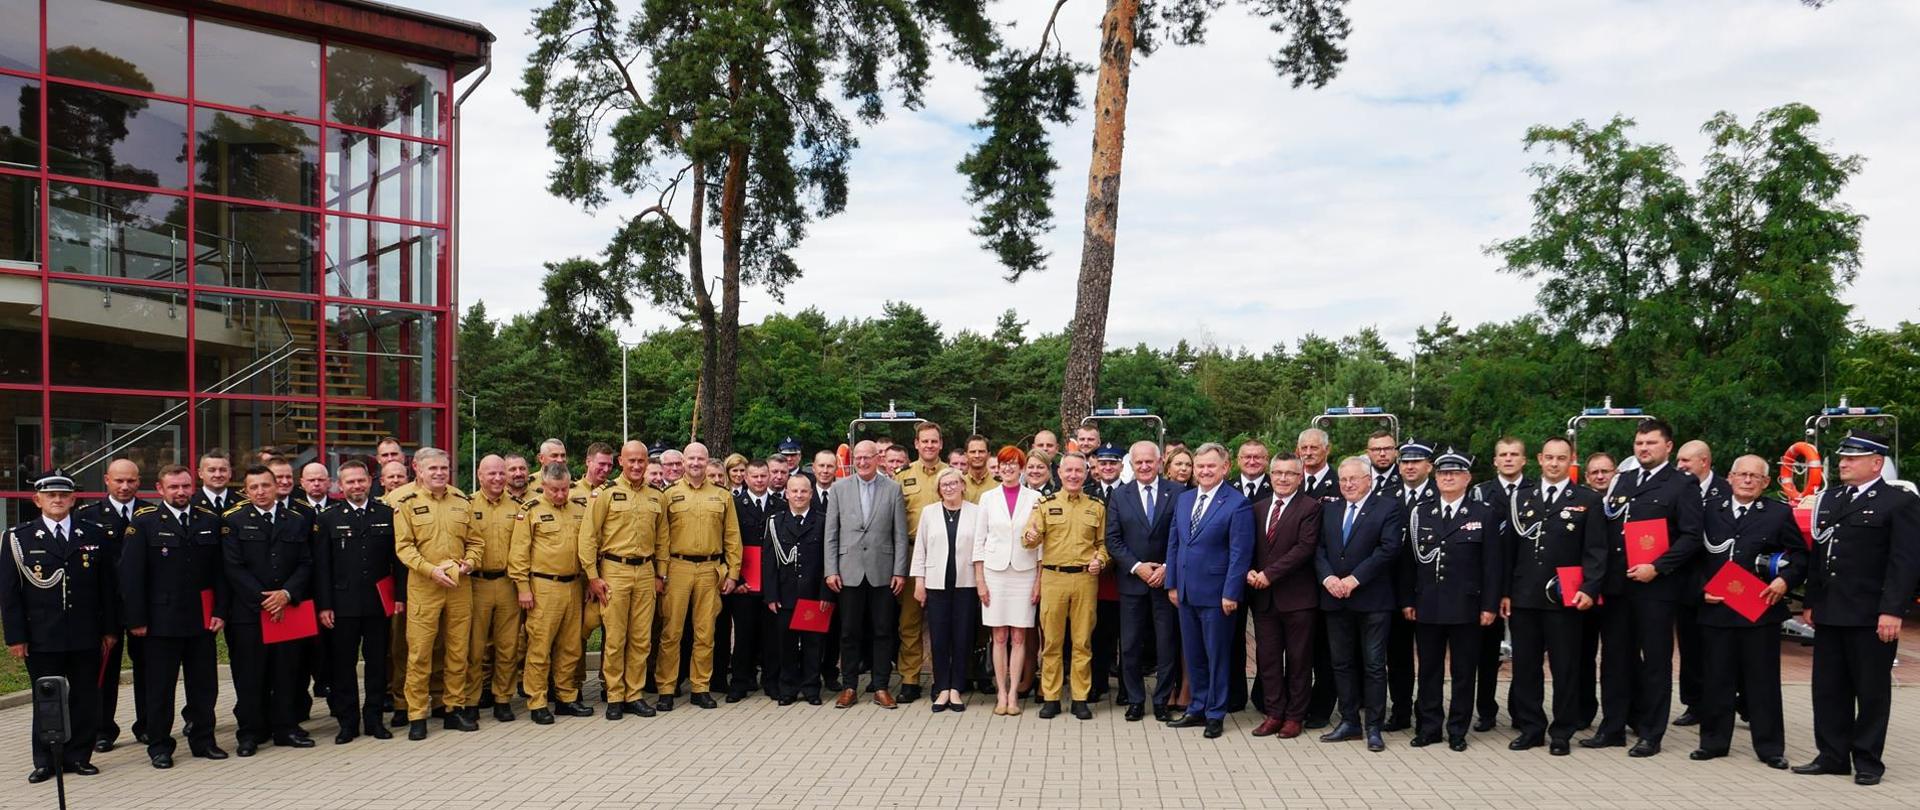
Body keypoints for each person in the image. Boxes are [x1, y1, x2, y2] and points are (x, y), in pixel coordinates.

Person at [1794, 431, 1920, 786]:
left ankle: (1867, 760)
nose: (1844, 464)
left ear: (1876, 463)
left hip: (1871, 614)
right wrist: (1811, 602)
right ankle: (1832, 755)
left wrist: (1892, 610)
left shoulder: (1898, 502)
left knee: (1871, 690)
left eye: (1852, 458)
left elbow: (1905, 562)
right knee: (1828, 688)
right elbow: (1820, 555)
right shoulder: (1831, 499)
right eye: (1844, 458)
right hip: (1832, 610)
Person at [1585, 419, 1702, 758]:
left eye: (1651, 443)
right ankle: (1612, 727)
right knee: (1614, 659)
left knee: (1655, 662)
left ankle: (1651, 732)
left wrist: (1659, 566)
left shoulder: (1681, 484)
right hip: (1619, 586)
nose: (1643, 449)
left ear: (1668, 446)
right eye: (1639, 444)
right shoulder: (1623, 480)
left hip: (1656, 588)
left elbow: (1692, 536)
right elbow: (1611, 530)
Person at [1689, 454, 1804, 768]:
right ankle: (1713, 742)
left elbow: (1800, 557)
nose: (1748, 480)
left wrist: (1784, 580)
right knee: (1715, 680)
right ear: (1730, 478)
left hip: (1760, 611)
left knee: (1762, 682)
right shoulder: (1709, 511)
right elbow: (1692, 557)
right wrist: (1702, 589)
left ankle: (1769, 748)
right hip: (1717, 610)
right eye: (1743, 475)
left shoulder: (1778, 514)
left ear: (1766, 482)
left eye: (1756, 476)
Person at [5, 470, 118, 782]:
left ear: (73, 499)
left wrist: (109, 629)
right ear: (37, 499)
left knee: (85, 697)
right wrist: (16, 636)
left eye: (63, 495)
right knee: (47, 697)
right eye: (50, 495)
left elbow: (107, 587)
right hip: (42, 635)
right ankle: (45, 760)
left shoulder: (93, 534)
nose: (57, 500)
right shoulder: (18, 538)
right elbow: (10, 593)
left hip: (86, 633)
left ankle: (79, 756)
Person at [121, 464, 230, 767]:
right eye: (174, 487)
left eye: (185, 486)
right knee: (160, 688)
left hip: (201, 620)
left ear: (192, 487)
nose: (180, 492)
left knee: (204, 686)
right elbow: (131, 576)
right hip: (160, 622)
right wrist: (137, 620)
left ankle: (203, 740)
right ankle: (159, 746)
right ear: (160, 489)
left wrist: (221, 611)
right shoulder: (144, 523)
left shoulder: (209, 521)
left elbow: (220, 573)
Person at [1502, 437, 1605, 756]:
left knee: (1565, 667)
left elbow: (1596, 551)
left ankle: (1562, 731)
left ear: (1572, 460)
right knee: (1526, 667)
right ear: (1539, 459)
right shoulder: (1522, 498)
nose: (1555, 463)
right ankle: (1532, 728)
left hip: (1565, 597)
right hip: (1525, 595)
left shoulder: (1586, 499)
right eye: (1549, 458)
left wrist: (1589, 588)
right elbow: (1508, 551)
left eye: (1562, 458)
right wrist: (1505, 592)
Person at [1400, 448, 1500, 752]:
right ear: (1436, 476)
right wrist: (1407, 599)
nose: (1448, 477)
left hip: (1466, 606)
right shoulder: (1421, 512)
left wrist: (1489, 605)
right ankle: (1429, 727)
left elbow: (1492, 565)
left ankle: (1457, 729)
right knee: (1429, 670)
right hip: (1428, 604)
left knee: (1463, 671)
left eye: (1454, 473)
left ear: (1467, 478)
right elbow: (1409, 563)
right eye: (1443, 473)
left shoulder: (1483, 514)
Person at [221, 464, 316, 756]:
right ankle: (250, 732)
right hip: (249, 613)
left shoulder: (296, 520)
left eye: (266, 485)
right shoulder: (233, 521)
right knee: (250, 675)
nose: (261, 492)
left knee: (287, 673)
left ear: (276, 487)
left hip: (288, 609)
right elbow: (233, 567)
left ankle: (286, 727)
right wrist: (266, 600)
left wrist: (286, 594)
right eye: (254, 487)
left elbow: (306, 562)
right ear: (245, 491)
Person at [390, 448, 481, 740]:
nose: (440, 473)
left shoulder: (461, 501)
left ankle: (453, 708)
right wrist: (430, 570)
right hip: (424, 586)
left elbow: (476, 541)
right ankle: (417, 714)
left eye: (444, 468)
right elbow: (404, 547)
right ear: (419, 471)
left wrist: (470, 562)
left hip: (458, 586)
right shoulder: (406, 503)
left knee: (457, 651)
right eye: (433, 469)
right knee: (419, 653)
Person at [1316, 456, 1405, 753]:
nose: (1348, 484)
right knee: (1341, 663)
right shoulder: (1330, 508)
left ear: (1369, 480)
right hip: (1335, 598)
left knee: (1374, 665)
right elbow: (1319, 549)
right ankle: (1349, 721)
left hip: (1372, 600)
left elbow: (1388, 549)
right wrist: (1328, 577)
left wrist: (1355, 579)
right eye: (1343, 479)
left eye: (1354, 479)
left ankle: (1374, 727)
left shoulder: (1387, 507)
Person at [1163, 442, 1252, 739]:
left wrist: (1231, 592)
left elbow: (1240, 553)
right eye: (1200, 466)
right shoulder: (1185, 499)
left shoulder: (1236, 503)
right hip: (1186, 592)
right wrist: (1172, 583)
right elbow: (1174, 544)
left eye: (1211, 466)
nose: (1204, 471)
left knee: (1217, 656)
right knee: (1194, 654)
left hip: (1217, 595)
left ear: (1225, 468)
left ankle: (1216, 713)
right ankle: (1197, 707)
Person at [312, 460, 402, 744]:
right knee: (343, 665)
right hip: (342, 605)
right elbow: (321, 567)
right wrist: (324, 605)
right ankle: (347, 722)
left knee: (377, 663)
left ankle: (374, 719)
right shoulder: (328, 518)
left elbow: (397, 563)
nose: (356, 486)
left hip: (377, 603)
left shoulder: (386, 514)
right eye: (350, 482)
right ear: (340, 485)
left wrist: (399, 597)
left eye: (361, 481)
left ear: (370, 481)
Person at [653, 443, 743, 711]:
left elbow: (732, 537)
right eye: (690, 458)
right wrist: (661, 572)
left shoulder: (722, 496)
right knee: (672, 632)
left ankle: (700, 687)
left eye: (700, 459)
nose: (695, 463)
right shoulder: (669, 494)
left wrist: (734, 573)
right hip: (677, 568)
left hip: (709, 569)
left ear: (707, 462)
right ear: (683, 461)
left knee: (706, 632)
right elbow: (661, 537)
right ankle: (666, 688)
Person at [1023, 452, 1109, 721]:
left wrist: (1100, 560)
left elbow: (1103, 544)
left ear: (1086, 474)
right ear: (1059, 473)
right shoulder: (1044, 504)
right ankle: (1051, 697)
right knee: (1052, 642)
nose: (1073, 475)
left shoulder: (1096, 506)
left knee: (1082, 641)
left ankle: (1080, 698)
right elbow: (1028, 540)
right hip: (1053, 579)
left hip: (1085, 580)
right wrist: (1032, 535)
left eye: (1078, 471)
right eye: (1068, 470)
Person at [825, 441, 909, 708]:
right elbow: (831, 534)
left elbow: (899, 534)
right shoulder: (839, 489)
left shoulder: (893, 489)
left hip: (882, 572)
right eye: (858, 458)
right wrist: (831, 570)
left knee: (883, 631)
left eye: (867, 458)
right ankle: (849, 686)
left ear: (878, 459)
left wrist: (899, 571)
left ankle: (881, 686)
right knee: (849, 632)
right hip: (848, 572)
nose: (862, 462)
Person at [1104, 440, 1184, 722]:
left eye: (1149, 461)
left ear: (1160, 461)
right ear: (1131, 464)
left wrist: (1166, 567)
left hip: (1165, 580)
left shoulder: (1177, 492)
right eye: (1138, 462)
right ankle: (1136, 699)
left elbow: (1183, 536)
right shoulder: (1120, 495)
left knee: (1166, 644)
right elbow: (1112, 539)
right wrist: (1137, 567)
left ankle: (1161, 700)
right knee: (1130, 645)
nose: (1145, 466)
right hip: (1132, 582)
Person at [510, 462, 593, 724]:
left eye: (565, 489)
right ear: (543, 486)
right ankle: (537, 701)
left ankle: (566, 697)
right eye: (555, 490)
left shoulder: (579, 509)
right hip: (543, 586)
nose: (560, 494)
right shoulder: (530, 510)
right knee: (540, 646)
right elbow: (519, 553)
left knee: (570, 647)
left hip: (573, 585)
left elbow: (587, 547)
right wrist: (523, 588)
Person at [1247, 453, 1320, 739]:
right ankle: (1274, 713)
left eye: (1290, 473)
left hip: (1298, 599)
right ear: (1270, 475)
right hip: (1264, 600)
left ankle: (1294, 716)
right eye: (1277, 473)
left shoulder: (1310, 508)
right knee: (1268, 659)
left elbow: (1304, 548)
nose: (1283, 478)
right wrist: (1249, 571)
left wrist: (1269, 574)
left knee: (1299, 661)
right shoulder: (1258, 508)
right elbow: (1249, 545)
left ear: (1300, 477)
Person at [73, 458, 144, 753]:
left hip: (142, 604)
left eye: (130, 481)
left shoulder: (150, 513)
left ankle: (149, 726)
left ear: (139, 481)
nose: (125, 486)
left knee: (148, 669)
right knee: (105, 670)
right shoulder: (88, 517)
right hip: (107, 606)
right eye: (119, 481)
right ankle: (103, 730)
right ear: (106, 480)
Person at [1469, 436, 1532, 733]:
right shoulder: (1481, 493)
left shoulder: (1535, 492)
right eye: (1503, 455)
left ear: (1524, 460)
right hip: (1488, 585)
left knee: (1525, 652)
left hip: (1525, 582)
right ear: (1494, 460)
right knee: (1486, 653)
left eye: (1514, 454)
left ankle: (1522, 710)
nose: (1508, 459)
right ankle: (1486, 710)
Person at [975, 446, 1042, 716]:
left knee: (1019, 635)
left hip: (1024, 573)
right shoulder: (987, 498)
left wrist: (1038, 581)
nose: (1008, 468)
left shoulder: (1035, 498)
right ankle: (1000, 693)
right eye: (1004, 464)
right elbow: (979, 541)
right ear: (998, 467)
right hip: (995, 572)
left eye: (1014, 464)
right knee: (999, 635)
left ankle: (1014, 693)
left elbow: (1041, 545)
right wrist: (980, 580)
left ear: (1022, 467)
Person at [912, 468, 982, 712]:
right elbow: (920, 549)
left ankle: (956, 688)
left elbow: (981, 547)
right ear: (938, 489)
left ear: (963, 485)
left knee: (962, 637)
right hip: (936, 584)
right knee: (939, 637)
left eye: (954, 483)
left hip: (966, 583)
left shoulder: (976, 512)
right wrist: (919, 582)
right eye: (944, 485)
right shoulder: (929, 513)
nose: (949, 488)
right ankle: (942, 687)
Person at [891, 421, 949, 704]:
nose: (929, 446)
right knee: (909, 623)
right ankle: (910, 679)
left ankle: (942, 679)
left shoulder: (952, 474)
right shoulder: (902, 477)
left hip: (944, 558)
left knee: (942, 622)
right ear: (916, 444)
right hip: (912, 557)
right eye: (924, 441)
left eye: (934, 441)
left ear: (941, 444)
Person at [1670, 439, 1725, 728]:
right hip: (1687, 582)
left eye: (1685, 461)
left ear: (1704, 461)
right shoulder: (1676, 489)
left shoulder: (1726, 491)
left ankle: (1737, 702)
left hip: (1723, 584)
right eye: (1678, 461)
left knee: (1724, 650)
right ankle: (1694, 703)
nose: (1680, 466)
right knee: (1690, 647)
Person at [1382, 439, 1436, 731]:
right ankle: (1400, 711)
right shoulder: (1386, 496)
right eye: (1405, 462)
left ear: (1429, 466)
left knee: (1429, 657)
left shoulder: (1440, 494)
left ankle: (1428, 713)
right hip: (1393, 590)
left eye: (1416, 462)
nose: (1410, 466)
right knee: (1398, 657)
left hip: (1430, 590)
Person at [465, 455, 522, 722]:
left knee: (507, 647)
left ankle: (503, 698)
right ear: (479, 475)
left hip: (508, 584)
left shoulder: (518, 507)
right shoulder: (466, 506)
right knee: (475, 648)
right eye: (492, 474)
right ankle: (472, 700)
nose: (498, 478)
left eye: (502, 473)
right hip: (477, 584)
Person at [764, 475, 827, 705]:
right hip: (785, 595)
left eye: (803, 491)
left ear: (811, 493)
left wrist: (825, 594)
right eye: (794, 491)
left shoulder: (822, 521)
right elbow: (769, 561)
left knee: (813, 645)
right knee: (786, 645)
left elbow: (826, 562)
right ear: (787, 494)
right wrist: (771, 595)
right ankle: (787, 688)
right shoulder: (776, 522)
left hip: (812, 594)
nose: (799, 495)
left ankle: (811, 689)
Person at [725, 459, 777, 702]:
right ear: (745, 478)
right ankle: (740, 682)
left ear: (769, 477)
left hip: (770, 582)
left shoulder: (780, 504)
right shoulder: (735, 505)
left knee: (770, 635)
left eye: (762, 476)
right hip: (744, 583)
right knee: (744, 635)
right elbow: (730, 545)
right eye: (754, 476)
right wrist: (738, 578)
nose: (758, 480)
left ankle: (770, 681)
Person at [1297, 429, 1338, 500]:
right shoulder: (1292, 481)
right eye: (1304, 448)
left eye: (1314, 448)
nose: (1308, 453)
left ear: (1327, 449)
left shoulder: (1339, 483)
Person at [961, 435, 996, 501]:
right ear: (966, 455)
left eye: (981, 452)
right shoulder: (959, 484)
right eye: (973, 452)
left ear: (988, 455)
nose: (977, 455)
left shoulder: (998, 484)